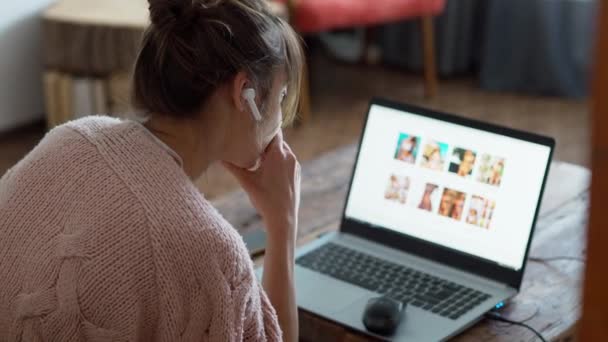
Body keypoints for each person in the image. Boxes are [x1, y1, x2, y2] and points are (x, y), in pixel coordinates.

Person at [0, 0, 303, 341]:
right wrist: (283, 223)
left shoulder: (72, 136)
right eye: (281, 96)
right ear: (244, 92)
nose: (280, 120)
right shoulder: (211, 255)